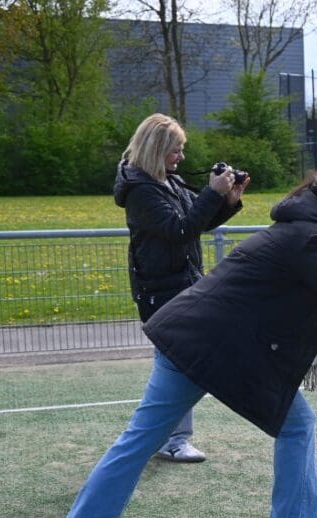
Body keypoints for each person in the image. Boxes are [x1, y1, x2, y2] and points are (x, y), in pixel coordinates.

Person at [50, 171, 317, 518]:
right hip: (223, 350)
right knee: (298, 427)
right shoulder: (312, 240)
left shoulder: (301, 230)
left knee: (136, 442)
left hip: (188, 337)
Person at [115, 112, 247, 464]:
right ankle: (169, 439)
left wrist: (228, 199)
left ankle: (163, 437)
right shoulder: (141, 191)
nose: (181, 157)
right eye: (176, 150)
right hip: (160, 290)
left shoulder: (167, 181)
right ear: (156, 149)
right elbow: (179, 230)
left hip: (182, 284)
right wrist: (212, 192)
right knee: (177, 364)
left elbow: (197, 223)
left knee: (178, 364)